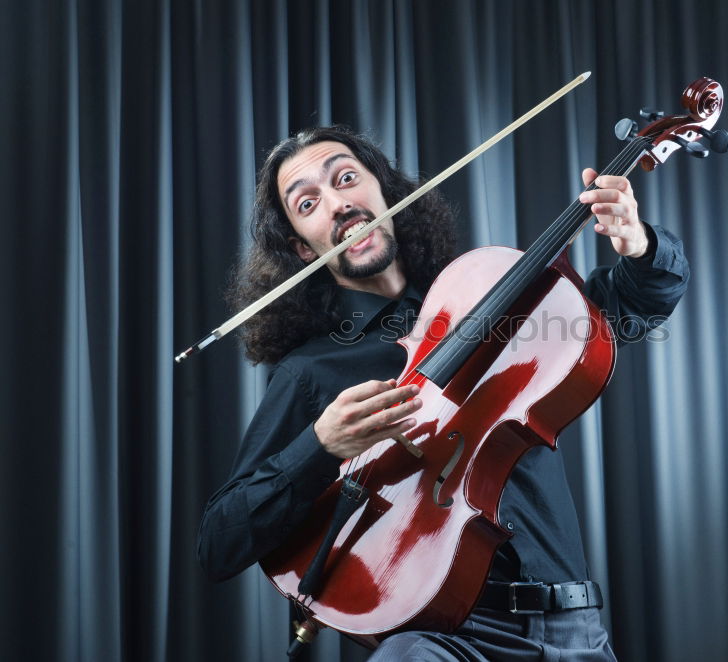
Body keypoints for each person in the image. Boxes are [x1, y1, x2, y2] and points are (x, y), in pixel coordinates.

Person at [198, 125, 689, 660]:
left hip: (575, 630)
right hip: (443, 639)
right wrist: (319, 445)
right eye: (309, 202)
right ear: (301, 245)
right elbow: (220, 543)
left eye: (346, 179)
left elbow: (622, 314)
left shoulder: (485, 300)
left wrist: (639, 247)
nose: (338, 204)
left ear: (385, 192)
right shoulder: (312, 372)